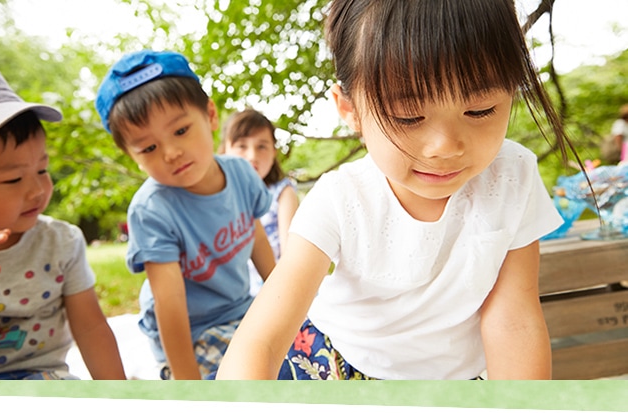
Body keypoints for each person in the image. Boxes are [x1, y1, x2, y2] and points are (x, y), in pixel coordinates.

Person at [217, 0, 576, 380]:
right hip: (337, 362)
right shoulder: (340, 198)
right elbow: (263, 338)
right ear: (350, 109)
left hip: (455, 381)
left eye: (481, 110)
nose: (445, 146)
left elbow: (513, 319)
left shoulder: (512, 176)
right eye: (408, 117)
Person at [94, 50, 275, 380]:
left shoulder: (241, 174)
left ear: (210, 115)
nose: (171, 153)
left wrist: (282, 304)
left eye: (180, 131)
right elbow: (170, 305)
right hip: (192, 332)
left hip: (240, 307)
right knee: (248, 381)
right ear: (130, 155)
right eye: (148, 148)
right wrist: (188, 385)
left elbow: (258, 240)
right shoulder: (152, 210)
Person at [0, 66, 126, 380]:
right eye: (13, 179)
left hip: (44, 379)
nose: (38, 190)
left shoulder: (61, 242)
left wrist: (121, 396)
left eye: (42, 169)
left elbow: (91, 329)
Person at [219, 109, 300, 296]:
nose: (252, 155)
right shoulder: (218, 196)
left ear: (274, 152)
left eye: (261, 146)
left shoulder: (282, 193)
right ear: (225, 150)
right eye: (241, 146)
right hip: (230, 295)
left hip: (276, 289)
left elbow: (292, 255)